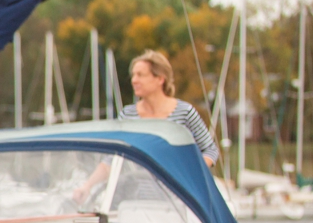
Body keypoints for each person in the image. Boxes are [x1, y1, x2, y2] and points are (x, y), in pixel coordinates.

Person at [73, 49, 218, 205]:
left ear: (160, 79)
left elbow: (210, 150)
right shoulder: (128, 116)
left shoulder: (185, 112)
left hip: (180, 203)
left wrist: (189, 177)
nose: (134, 80)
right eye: (133, 75)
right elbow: (111, 160)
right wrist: (87, 186)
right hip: (139, 203)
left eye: (140, 75)